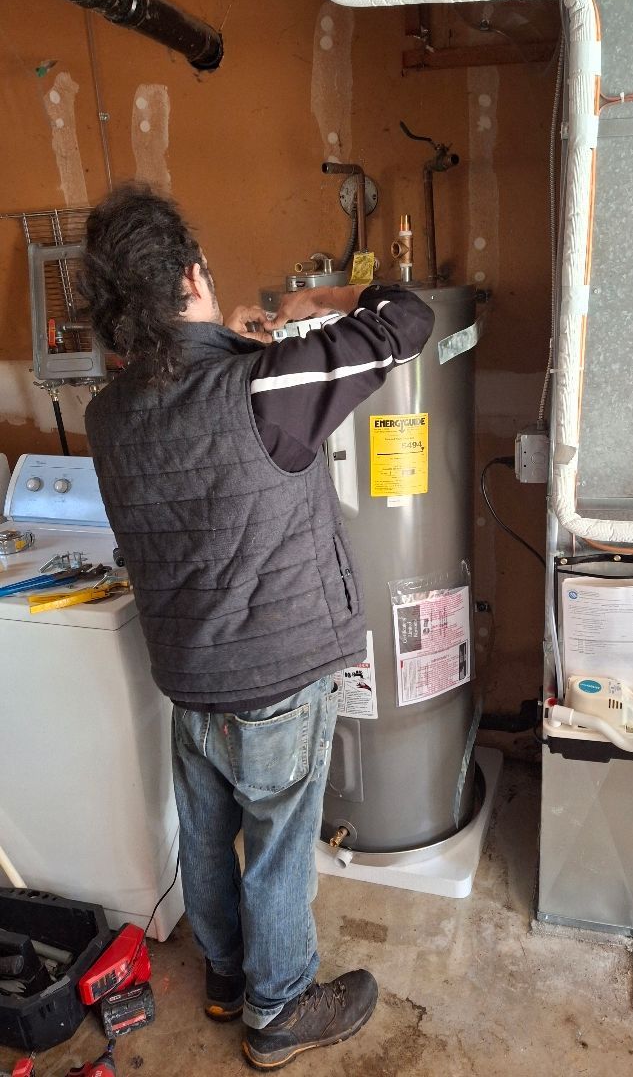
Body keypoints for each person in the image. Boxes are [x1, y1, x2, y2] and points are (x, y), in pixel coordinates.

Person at [79, 183, 435, 1070]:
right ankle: (278, 1012)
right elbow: (408, 318)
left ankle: (226, 978)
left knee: (204, 833)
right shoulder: (263, 386)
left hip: (188, 677)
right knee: (276, 847)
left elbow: (189, 394)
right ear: (193, 274)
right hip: (275, 679)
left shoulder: (107, 415)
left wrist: (234, 338)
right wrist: (311, 305)